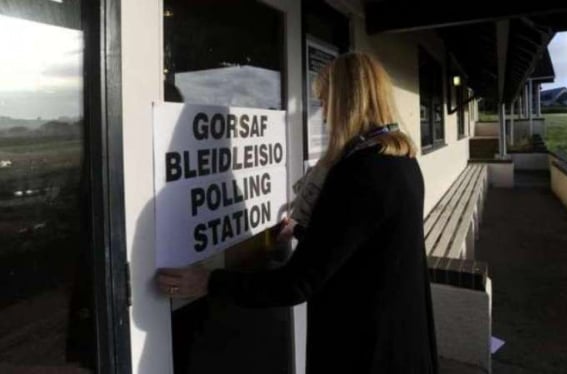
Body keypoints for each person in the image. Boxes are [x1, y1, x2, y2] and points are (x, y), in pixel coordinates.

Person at [157, 52, 439, 373]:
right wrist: (305, 232)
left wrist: (209, 282)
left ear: (345, 102)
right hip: (402, 340)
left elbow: (298, 283)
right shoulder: (400, 159)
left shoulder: (360, 173)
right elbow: (362, 242)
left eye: (325, 101)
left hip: (366, 351)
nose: (325, 114)